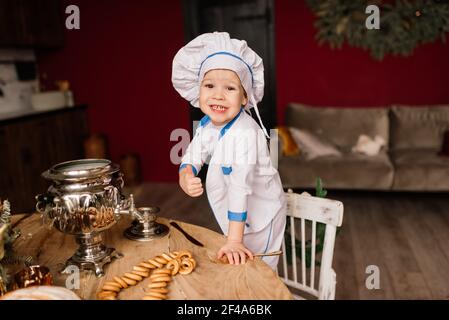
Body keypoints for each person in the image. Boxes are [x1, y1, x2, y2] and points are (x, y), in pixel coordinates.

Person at [172, 32, 286, 270]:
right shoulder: (208, 123)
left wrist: (235, 240)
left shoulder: (246, 134)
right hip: (237, 212)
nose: (218, 95)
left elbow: (239, 185)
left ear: (245, 97)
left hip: (263, 212)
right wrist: (186, 173)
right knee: (240, 262)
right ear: (198, 88)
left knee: (261, 268)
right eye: (210, 85)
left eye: (230, 88)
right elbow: (195, 153)